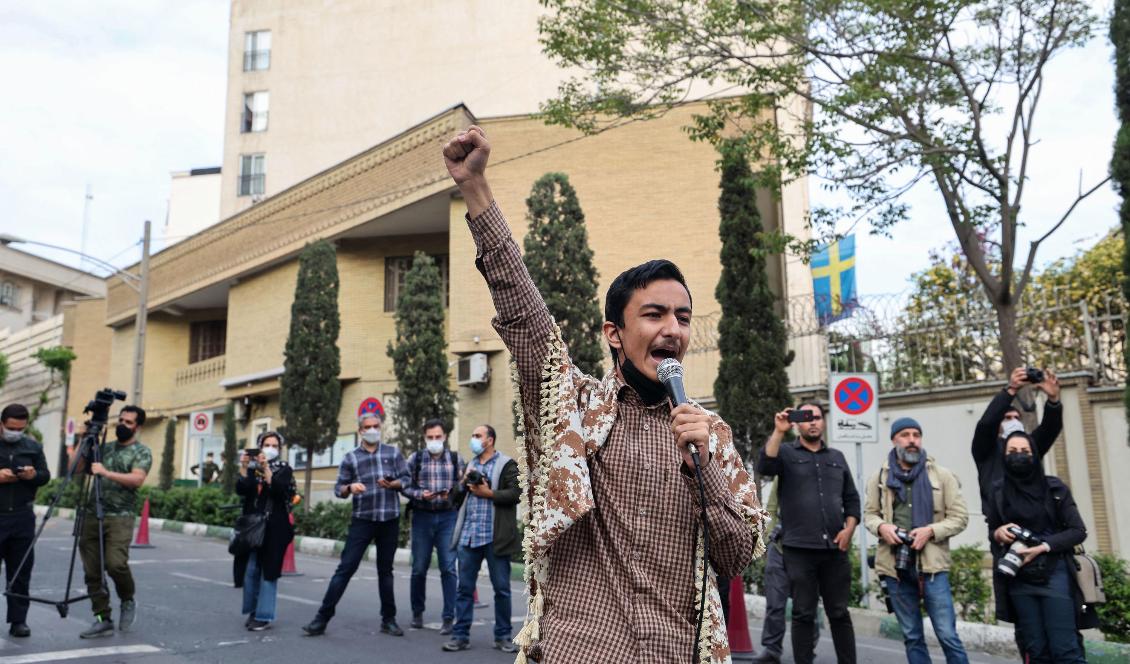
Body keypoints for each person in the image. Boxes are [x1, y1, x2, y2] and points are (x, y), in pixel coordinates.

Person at [442, 126, 766, 663]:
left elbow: (736, 557)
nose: (673, 329)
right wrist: (475, 189)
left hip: (674, 650)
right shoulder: (573, 405)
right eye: (654, 314)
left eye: (683, 318)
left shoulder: (712, 436)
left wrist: (703, 464)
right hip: (583, 647)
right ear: (614, 333)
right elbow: (526, 316)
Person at [756, 403, 859, 664]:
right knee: (803, 613)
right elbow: (765, 466)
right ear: (798, 423)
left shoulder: (837, 457)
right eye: (807, 417)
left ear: (824, 422)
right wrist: (779, 431)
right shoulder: (787, 453)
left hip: (835, 550)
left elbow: (852, 498)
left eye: (818, 417)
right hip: (798, 550)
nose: (813, 422)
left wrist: (850, 527)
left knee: (839, 613)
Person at [864, 417, 970, 664]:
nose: (912, 440)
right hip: (895, 567)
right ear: (894, 440)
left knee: (947, 635)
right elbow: (869, 514)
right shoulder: (879, 477)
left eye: (916, 435)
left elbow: (960, 517)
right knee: (912, 636)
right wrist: (882, 527)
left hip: (932, 567)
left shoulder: (943, 476)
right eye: (905, 435)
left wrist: (931, 531)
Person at [986, 431, 1095, 663]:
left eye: (1025, 452)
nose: (1019, 457)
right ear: (1003, 456)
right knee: (1035, 651)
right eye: (1012, 452)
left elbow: (1078, 531)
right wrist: (998, 533)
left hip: (1054, 575)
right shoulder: (998, 491)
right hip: (1019, 577)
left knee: (1065, 650)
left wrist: (1043, 546)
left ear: (1035, 455)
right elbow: (992, 529)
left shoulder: (1055, 489)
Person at [303, 413, 409, 637]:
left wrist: (393, 484)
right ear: (360, 431)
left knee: (386, 572)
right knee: (346, 568)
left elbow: (407, 480)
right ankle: (321, 619)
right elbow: (338, 489)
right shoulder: (351, 458)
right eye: (368, 427)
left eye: (376, 426)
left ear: (381, 428)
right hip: (363, 520)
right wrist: (350, 488)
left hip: (389, 519)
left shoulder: (393, 452)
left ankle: (388, 620)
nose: (372, 430)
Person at [71, 405, 152, 639]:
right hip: (91, 513)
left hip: (120, 516)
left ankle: (127, 599)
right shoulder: (102, 448)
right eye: (121, 420)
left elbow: (137, 479)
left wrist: (105, 472)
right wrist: (85, 439)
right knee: (92, 571)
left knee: (116, 564)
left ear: (138, 426)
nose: (123, 426)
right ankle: (102, 618)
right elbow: (74, 468)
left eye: (129, 422)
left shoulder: (141, 452)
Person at [443, 425, 519, 653]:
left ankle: (503, 636)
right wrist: (462, 482)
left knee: (502, 589)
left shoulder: (506, 464)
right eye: (473, 435)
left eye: (477, 436)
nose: (473, 440)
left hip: (495, 537)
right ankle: (460, 636)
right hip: (469, 536)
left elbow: (517, 493)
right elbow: (453, 499)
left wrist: (490, 493)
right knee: (464, 590)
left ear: (490, 440)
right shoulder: (470, 465)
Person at [402, 418, 464, 633]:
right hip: (422, 516)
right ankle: (417, 613)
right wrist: (420, 494)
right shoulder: (415, 458)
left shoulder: (456, 459)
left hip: (448, 517)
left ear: (445, 437)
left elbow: (463, 486)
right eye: (430, 437)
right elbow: (404, 483)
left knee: (448, 568)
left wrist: (453, 492)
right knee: (419, 567)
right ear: (424, 438)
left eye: (438, 437)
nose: (434, 441)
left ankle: (449, 617)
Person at [972, 367, 1061, 511]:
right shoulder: (987, 450)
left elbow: (1050, 429)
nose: (1014, 421)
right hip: (1002, 521)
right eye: (1007, 418)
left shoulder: (1029, 446)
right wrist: (1011, 390)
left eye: (1016, 417)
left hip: (1036, 514)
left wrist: (1053, 400)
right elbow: (986, 424)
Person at [236, 431, 295, 631]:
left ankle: (264, 616)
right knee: (251, 571)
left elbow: (278, 490)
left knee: (268, 572)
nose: (271, 448)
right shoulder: (252, 468)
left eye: (275, 445)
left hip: (275, 527)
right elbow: (242, 489)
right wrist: (244, 467)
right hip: (254, 526)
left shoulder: (284, 468)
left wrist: (266, 468)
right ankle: (253, 611)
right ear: (259, 447)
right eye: (267, 445)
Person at [0, 404, 50, 637]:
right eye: (11, 428)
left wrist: (33, 476)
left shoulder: (32, 446)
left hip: (22, 516)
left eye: (20, 428)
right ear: (2, 424)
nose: (15, 432)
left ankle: (18, 621)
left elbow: (45, 476)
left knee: (20, 571)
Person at [751, 478, 788, 664]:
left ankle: (807, 645)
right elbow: (772, 508)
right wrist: (772, 534)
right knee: (774, 602)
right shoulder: (782, 476)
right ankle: (772, 648)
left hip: (805, 550)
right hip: (779, 548)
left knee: (805, 605)